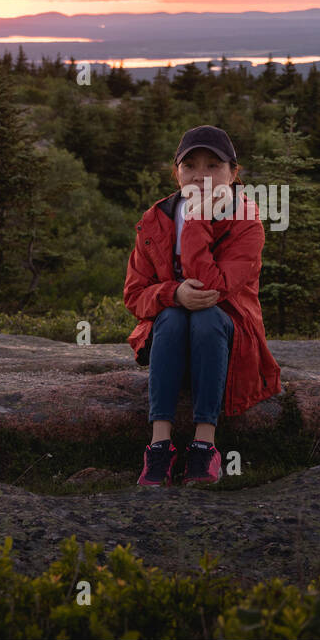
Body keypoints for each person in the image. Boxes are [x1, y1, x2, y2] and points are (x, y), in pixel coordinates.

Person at [123, 125, 282, 486]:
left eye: (213, 165)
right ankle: (160, 444)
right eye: (190, 165)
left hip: (226, 340)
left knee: (207, 315)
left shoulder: (246, 222)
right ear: (175, 172)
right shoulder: (156, 219)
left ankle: (204, 444)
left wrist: (195, 221)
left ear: (233, 173)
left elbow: (212, 288)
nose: (200, 175)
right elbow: (134, 295)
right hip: (172, 336)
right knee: (174, 316)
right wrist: (172, 294)